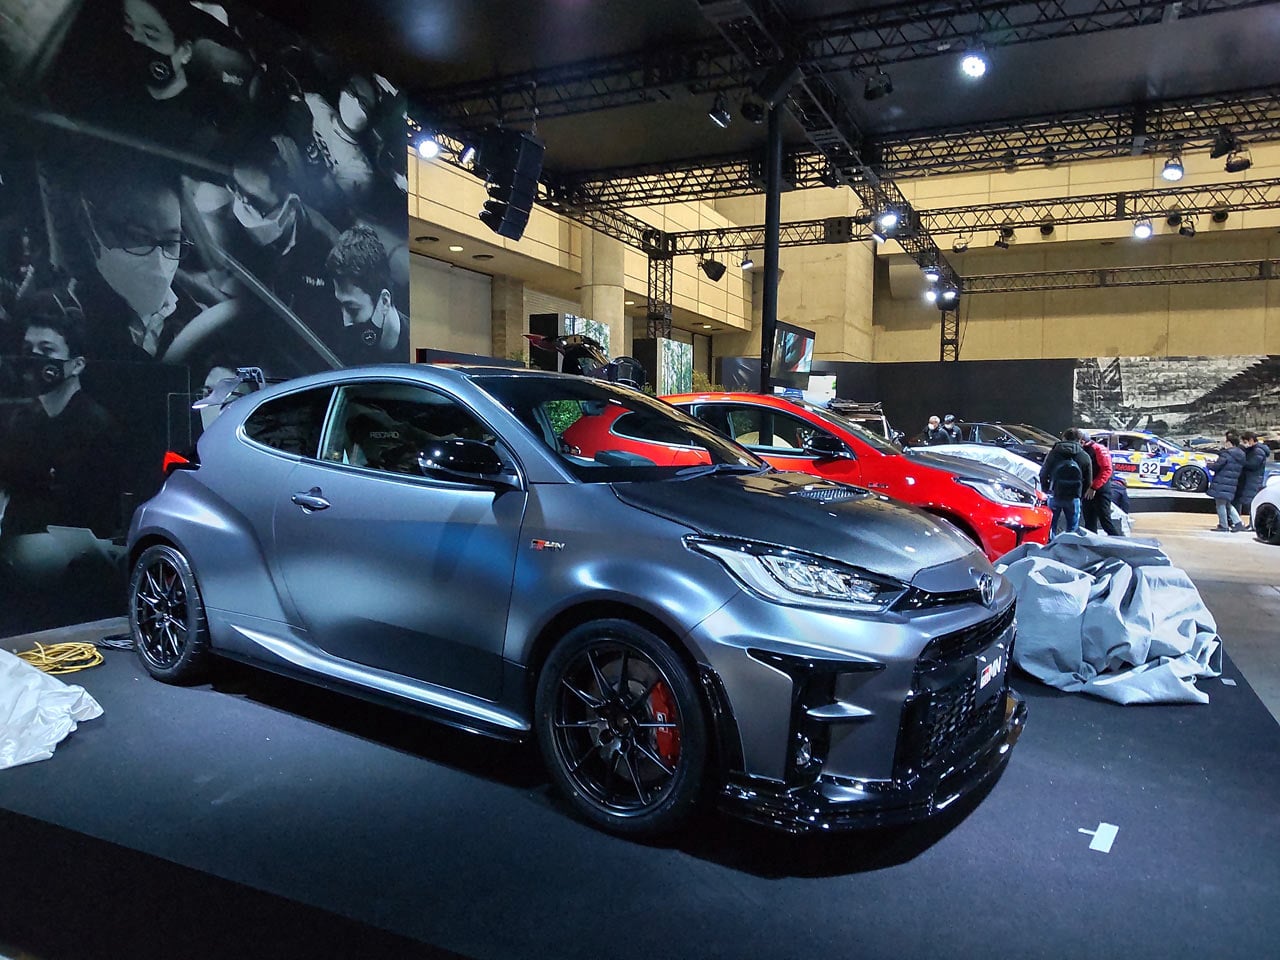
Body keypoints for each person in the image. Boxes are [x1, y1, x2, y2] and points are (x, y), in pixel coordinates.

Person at [0, 291, 121, 539]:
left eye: (46, 350)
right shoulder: (22, 422)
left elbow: (97, 515)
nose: (33, 358)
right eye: (28, 349)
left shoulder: (96, 427)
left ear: (77, 364)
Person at [71, 157, 204, 363]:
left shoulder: (199, 320)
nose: (158, 262)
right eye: (139, 238)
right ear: (91, 229)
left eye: (170, 242)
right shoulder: (65, 317)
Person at [325, 224, 405, 362]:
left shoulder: (418, 353)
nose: (345, 322)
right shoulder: (343, 345)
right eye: (341, 307)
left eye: (352, 310)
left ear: (384, 301)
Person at [1039, 427, 1093, 537]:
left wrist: (1046, 490)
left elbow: (1043, 474)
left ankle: (1052, 546)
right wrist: (1080, 495)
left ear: (1063, 438)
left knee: (1051, 527)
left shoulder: (1053, 453)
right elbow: (1088, 481)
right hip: (1073, 496)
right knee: (1072, 529)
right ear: (1079, 440)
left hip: (1055, 494)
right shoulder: (1084, 456)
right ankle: (1069, 545)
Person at [1081, 431, 1120, 535]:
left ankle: (1118, 541)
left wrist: (1094, 487)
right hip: (1087, 490)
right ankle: (1092, 542)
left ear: (1082, 441)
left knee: (1106, 521)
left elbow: (1107, 470)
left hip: (1100, 490)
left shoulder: (1098, 448)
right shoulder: (1081, 449)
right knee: (1089, 523)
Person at [1206, 431, 1246, 532]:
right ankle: (1238, 523)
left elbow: (1216, 466)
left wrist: (1208, 464)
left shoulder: (1226, 454)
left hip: (1221, 482)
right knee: (1227, 504)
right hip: (1232, 482)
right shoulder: (1241, 455)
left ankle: (1223, 525)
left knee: (1220, 504)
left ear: (1229, 443)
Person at [1234, 431, 1272, 531]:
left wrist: (1241, 462)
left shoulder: (1258, 451)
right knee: (1248, 502)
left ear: (1251, 440)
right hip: (1249, 479)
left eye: (1245, 442)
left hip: (1253, 480)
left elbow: (1252, 465)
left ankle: (1253, 524)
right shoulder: (1253, 450)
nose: (1244, 444)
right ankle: (1251, 524)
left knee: (1251, 503)